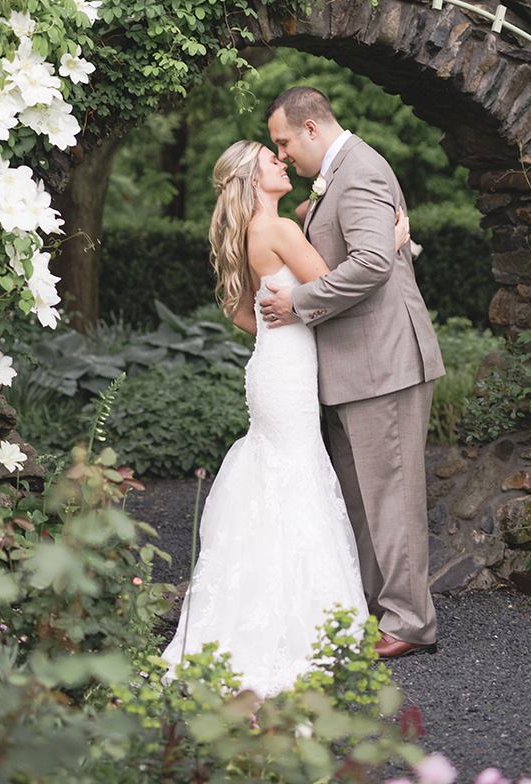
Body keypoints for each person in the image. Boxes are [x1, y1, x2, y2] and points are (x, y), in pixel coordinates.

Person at [160, 140, 408, 697]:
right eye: (270, 161)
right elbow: (333, 285)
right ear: (253, 180)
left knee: (277, 476)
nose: (281, 161)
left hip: (270, 365)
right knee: (298, 480)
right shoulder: (280, 232)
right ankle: (305, 626)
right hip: (289, 374)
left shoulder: (251, 233)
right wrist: (389, 245)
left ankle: (258, 611)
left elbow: (245, 314)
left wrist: (282, 325)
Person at [260, 87, 445, 659]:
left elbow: (369, 264)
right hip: (354, 363)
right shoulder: (334, 176)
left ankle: (411, 621)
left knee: (390, 495)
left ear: (312, 127)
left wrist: (300, 303)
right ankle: (374, 606)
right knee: (363, 498)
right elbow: (374, 251)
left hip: (383, 362)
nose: (284, 154)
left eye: (284, 142)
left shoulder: (360, 168)